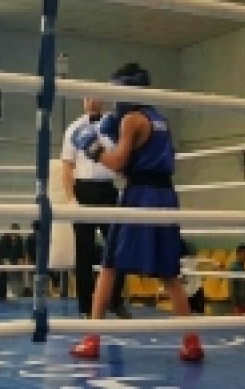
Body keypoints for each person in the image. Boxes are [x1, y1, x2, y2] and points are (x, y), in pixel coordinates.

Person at [68, 62, 203, 362]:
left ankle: (91, 339)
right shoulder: (160, 120)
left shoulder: (131, 119)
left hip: (140, 195)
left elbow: (117, 164)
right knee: (169, 272)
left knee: (109, 266)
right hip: (165, 195)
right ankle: (192, 341)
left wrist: (93, 149)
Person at [61, 98, 130, 319]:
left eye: (96, 97)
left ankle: (115, 301)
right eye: (88, 98)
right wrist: (71, 199)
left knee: (118, 247)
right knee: (84, 251)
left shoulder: (114, 126)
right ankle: (85, 306)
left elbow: (123, 159)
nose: (92, 102)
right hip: (83, 190)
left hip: (108, 189)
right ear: (83, 102)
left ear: (102, 100)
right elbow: (67, 166)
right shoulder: (74, 128)